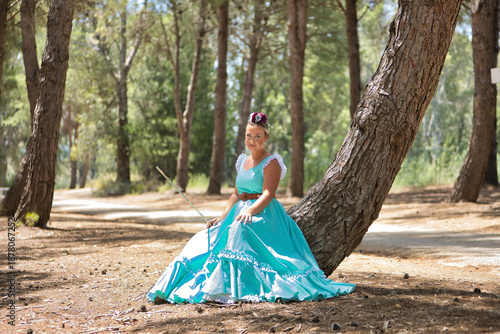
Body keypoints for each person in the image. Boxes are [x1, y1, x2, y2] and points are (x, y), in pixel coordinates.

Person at [147, 112, 355, 304]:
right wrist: (221, 218)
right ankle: (211, 285)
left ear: (266, 137)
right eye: (248, 136)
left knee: (239, 230)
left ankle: (233, 290)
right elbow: (236, 193)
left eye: (257, 136)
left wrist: (250, 211)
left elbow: (268, 194)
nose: (252, 140)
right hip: (240, 213)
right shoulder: (242, 162)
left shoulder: (271, 162)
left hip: (265, 214)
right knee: (205, 237)